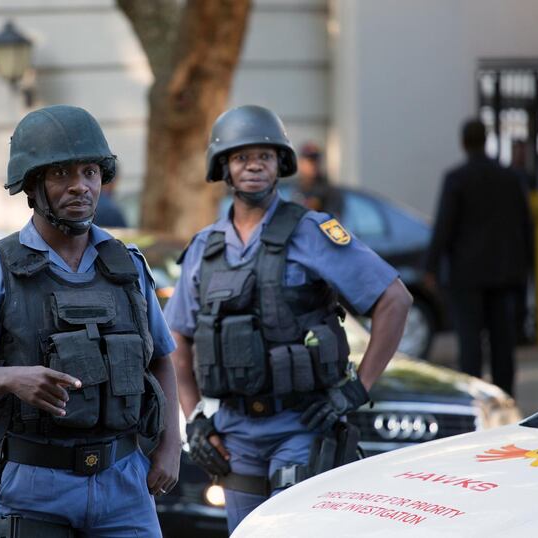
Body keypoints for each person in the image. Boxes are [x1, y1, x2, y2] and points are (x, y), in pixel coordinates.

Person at [164, 105, 412, 533]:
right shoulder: (204, 248)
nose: (254, 165)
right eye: (242, 157)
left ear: (281, 164)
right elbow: (176, 340)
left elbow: (394, 300)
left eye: (265, 155)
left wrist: (356, 389)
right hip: (234, 433)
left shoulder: (312, 232)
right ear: (224, 166)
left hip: (302, 426)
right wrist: (195, 421)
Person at [0, 105, 180, 538]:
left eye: (89, 172)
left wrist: (170, 447)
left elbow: (161, 359)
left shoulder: (128, 266)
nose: (80, 187)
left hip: (124, 481)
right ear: (33, 185)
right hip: (34, 485)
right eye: (61, 175)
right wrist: (13, 379)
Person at [425, 119, 532, 397]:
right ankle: (505, 398)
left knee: (470, 343)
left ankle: (474, 400)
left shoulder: (457, 179)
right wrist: (525, 268)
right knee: (502, 344)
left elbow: (444, 226)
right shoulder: (510, 178)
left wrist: (431, 267)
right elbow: (524, 225)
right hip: (503, 273)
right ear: (486, 140)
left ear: (463, 142)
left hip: (467, 275)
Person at [292, 142, 344, 217]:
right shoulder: (297, 188)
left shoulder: (330, 192)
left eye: (316, 160)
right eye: (310, 161)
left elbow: (334, 222)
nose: (314, 165)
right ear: (300, 163)